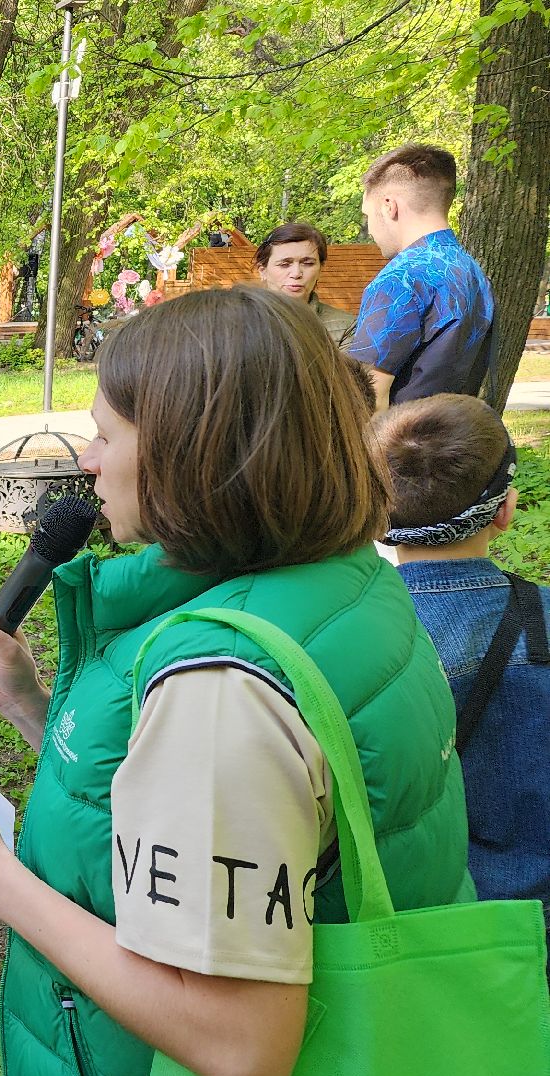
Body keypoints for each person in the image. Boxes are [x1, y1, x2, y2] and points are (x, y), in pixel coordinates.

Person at [0, 286, 473, 1076]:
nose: (88, 460)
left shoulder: (223, 684)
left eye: (106, 435)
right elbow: (202, 813)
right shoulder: (346, 584)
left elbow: (236, 1043)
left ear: (193, 449)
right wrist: (32, 705)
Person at [372, 394, 548, 955]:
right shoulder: (543, 622)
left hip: (412, 941)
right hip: (533, 930)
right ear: (504, 509)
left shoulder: (351, 637)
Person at [346, 143, 495, 411]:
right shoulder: (473, 272)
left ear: (389, 206)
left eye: (367, 214)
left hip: (405, 446)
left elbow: (366, 396)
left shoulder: (401, 279)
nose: (369, 229)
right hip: (459, 438)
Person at [254, 222, 356, 346]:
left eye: (308, 263)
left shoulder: (346, 327)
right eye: (284, 264)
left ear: (320, 269)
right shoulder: (236, 320)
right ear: (262, 270)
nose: (296, 273)